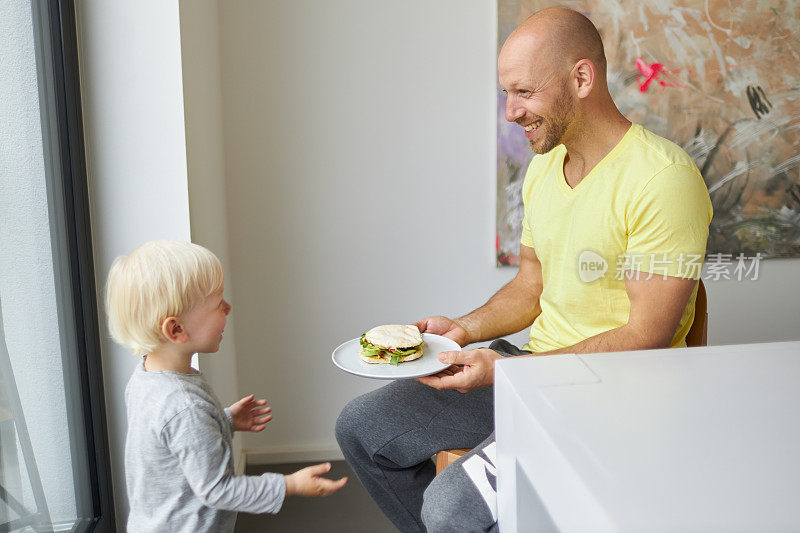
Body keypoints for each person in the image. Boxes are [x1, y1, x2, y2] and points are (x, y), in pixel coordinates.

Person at [336, 6, 712, 533]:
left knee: (449, 506)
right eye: (505, 94)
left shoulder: (662, 179)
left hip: (614, 402)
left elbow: (648, 334)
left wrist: (511, 371)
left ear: (581, 78)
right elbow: (532, 286)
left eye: (524, 92)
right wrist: (462, 331)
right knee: (362, 427)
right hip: (536, 370)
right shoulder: (543, 169)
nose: (510, 112)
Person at [106, 240, 347, 532]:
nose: (229, 308)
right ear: (176, 329)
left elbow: (174, 442)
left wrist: (225, 420)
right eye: (218, 304)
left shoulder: (146, 377)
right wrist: (289, 485)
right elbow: (218, 490)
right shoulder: (185, 407)